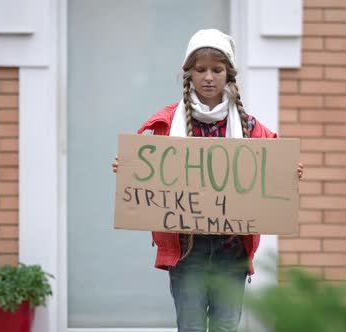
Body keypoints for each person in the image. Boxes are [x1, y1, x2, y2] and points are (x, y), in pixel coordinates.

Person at [113, 29, 304, 332]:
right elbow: (144, 168)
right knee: (190, 327)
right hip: (188, 252)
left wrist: (288, 172)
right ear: (188, 73)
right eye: (200, 69)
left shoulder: (249, 126)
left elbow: (276, 165)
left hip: (232, 253)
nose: (209, 77)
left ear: (229, 74)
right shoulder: (166, 122)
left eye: (217, 69)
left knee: (225, 327)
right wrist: (128, 170)